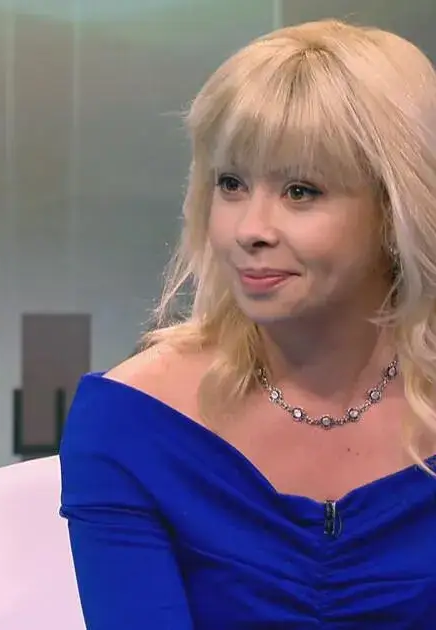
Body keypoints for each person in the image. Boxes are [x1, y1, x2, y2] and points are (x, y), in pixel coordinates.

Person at [59, 19, 435, 629]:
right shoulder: (133, 421)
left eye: (301, 191)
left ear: (396, 210)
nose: (249, 229)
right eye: (231, 184)